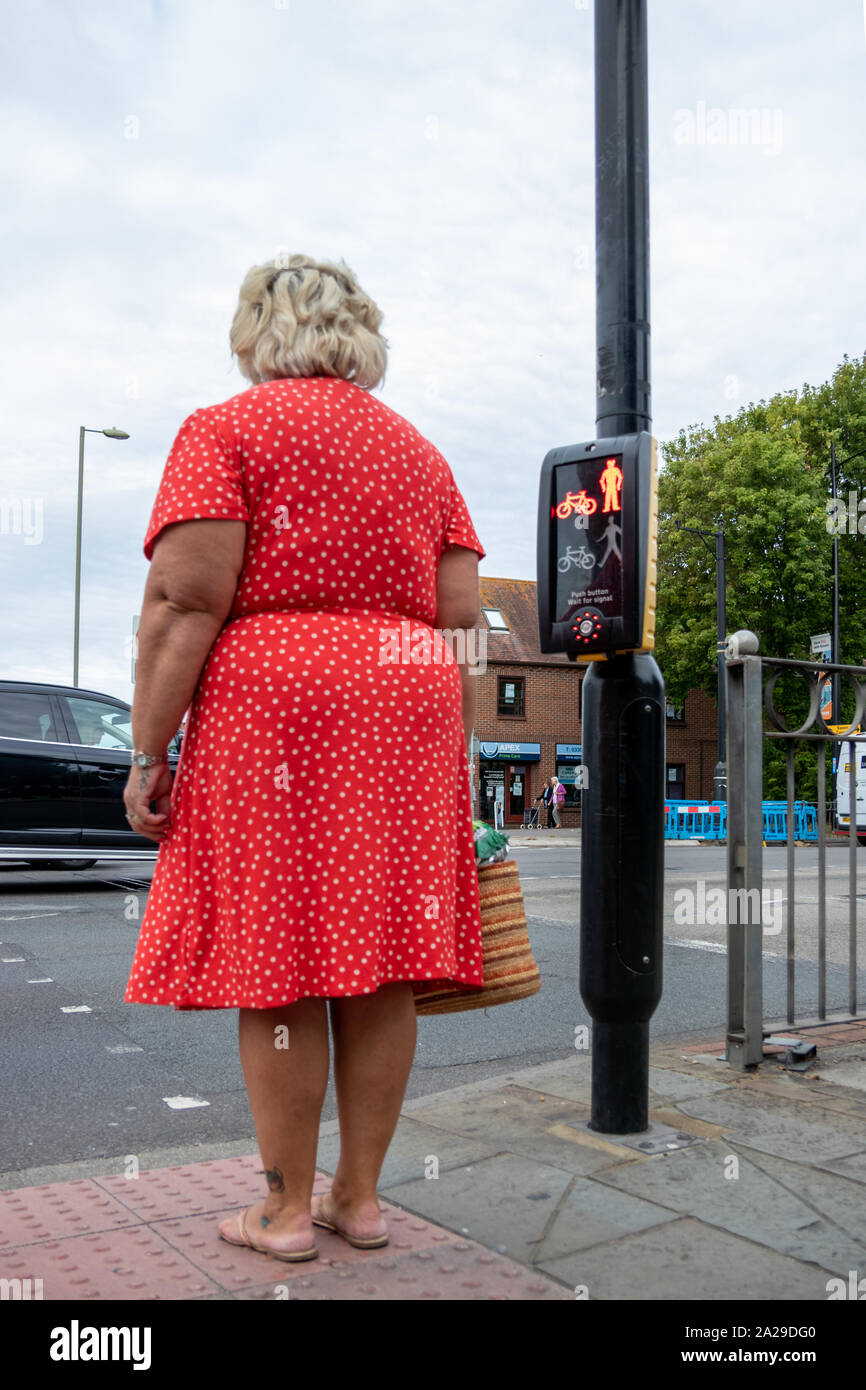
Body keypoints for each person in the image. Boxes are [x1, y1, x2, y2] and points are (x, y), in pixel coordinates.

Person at [122, 254, 486, 1261]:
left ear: (255, 331)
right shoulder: (422, 456)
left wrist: (149, 749)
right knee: (382, 964)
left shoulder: (226, 430)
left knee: (278, 961)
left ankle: (282, 1212)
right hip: (404, 703)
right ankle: (357, 1200)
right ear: (360, 332)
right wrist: (453, 757)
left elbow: (182, 603)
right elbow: (462, 626)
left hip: (277, 702)